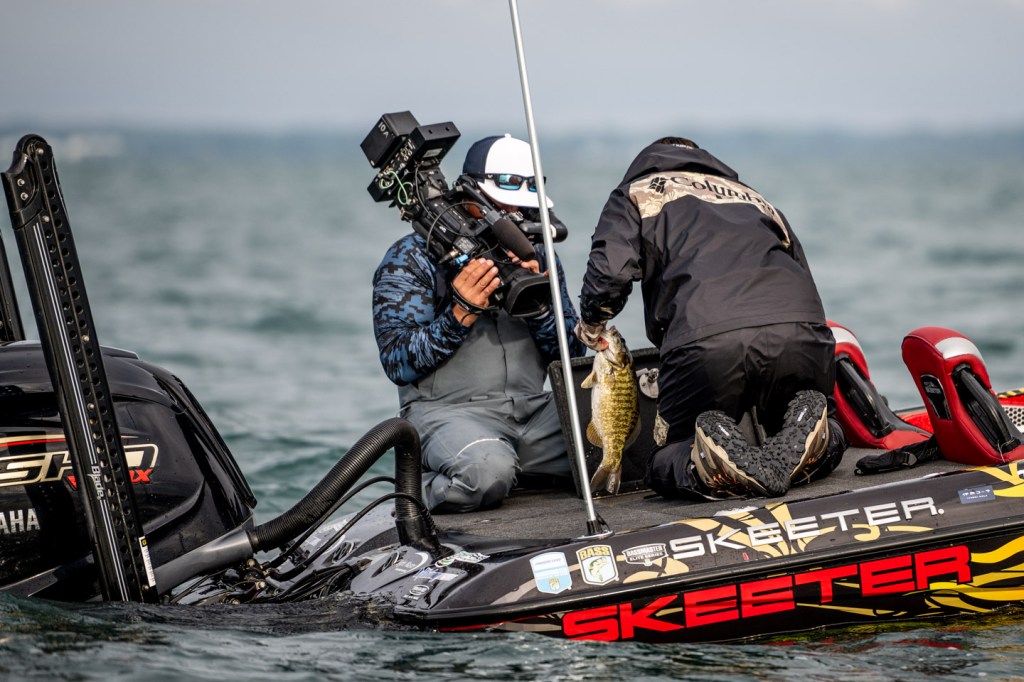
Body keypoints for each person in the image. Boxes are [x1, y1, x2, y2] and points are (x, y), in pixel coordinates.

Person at [575, 136, 847, 500]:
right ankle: (817, 436)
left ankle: (705, 458)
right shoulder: (753, 197)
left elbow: (610, 271)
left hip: (705, 342)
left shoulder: (636, 192)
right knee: (821, 425)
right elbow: (801, 272)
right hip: (801, 332)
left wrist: (593, 322)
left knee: (668, 458)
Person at [373, 134, 584, 513]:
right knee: (485, 471)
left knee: (615, 434)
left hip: (534, 411)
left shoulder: (539, 255)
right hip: (447, 414)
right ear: (473, 197)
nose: (518, 216)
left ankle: (516, 469)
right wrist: (460, 312)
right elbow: (397, 363)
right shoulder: (411, 257)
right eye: (507, 207)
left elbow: (572, 354)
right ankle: (421, 489)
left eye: (525, 208)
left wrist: (539, 305)